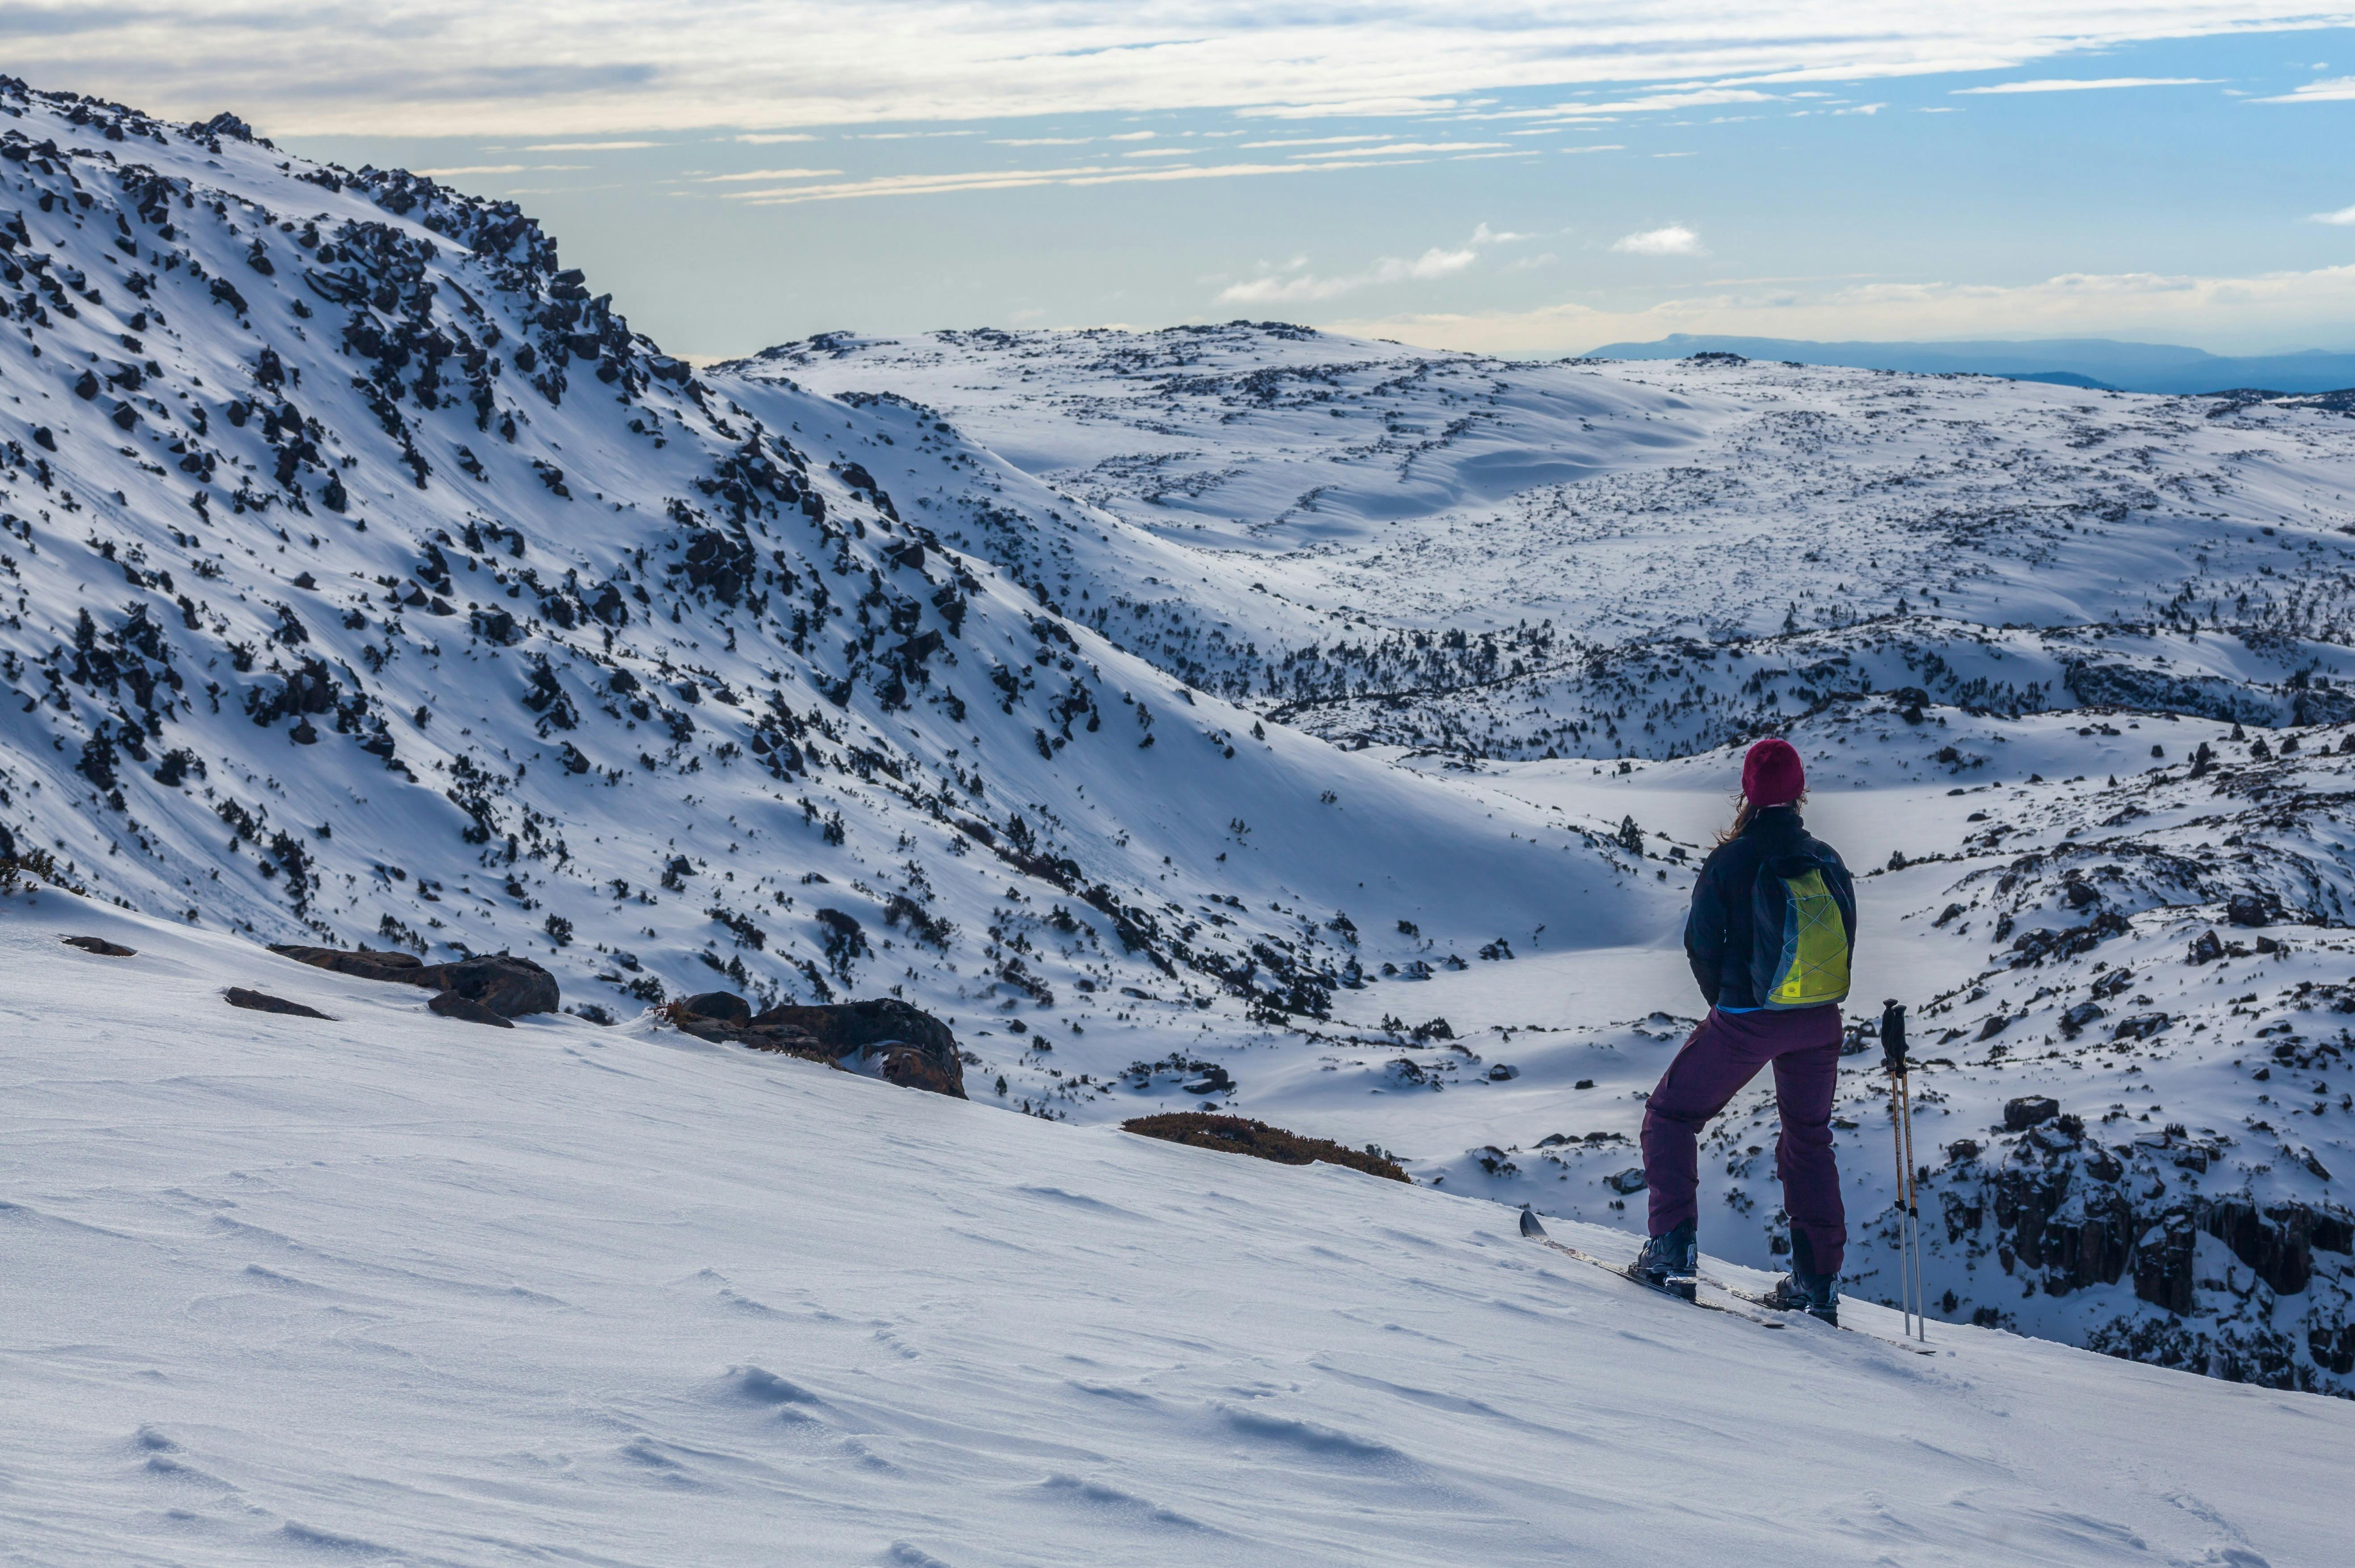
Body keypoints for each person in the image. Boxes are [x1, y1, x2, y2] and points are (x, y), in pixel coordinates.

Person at [1630, 737, 1856, 1323]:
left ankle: (1672, 1252)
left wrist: (1728, 1008)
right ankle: (1818, 1282)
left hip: (1749, 1018)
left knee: (1671, 1115)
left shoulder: (1731, 861)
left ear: (1747, 794)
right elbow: (1847, 938)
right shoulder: (1827, 859)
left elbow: (1700, 943)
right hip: (1819, 1019)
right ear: (1801, 791)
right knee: (1809, 1139)